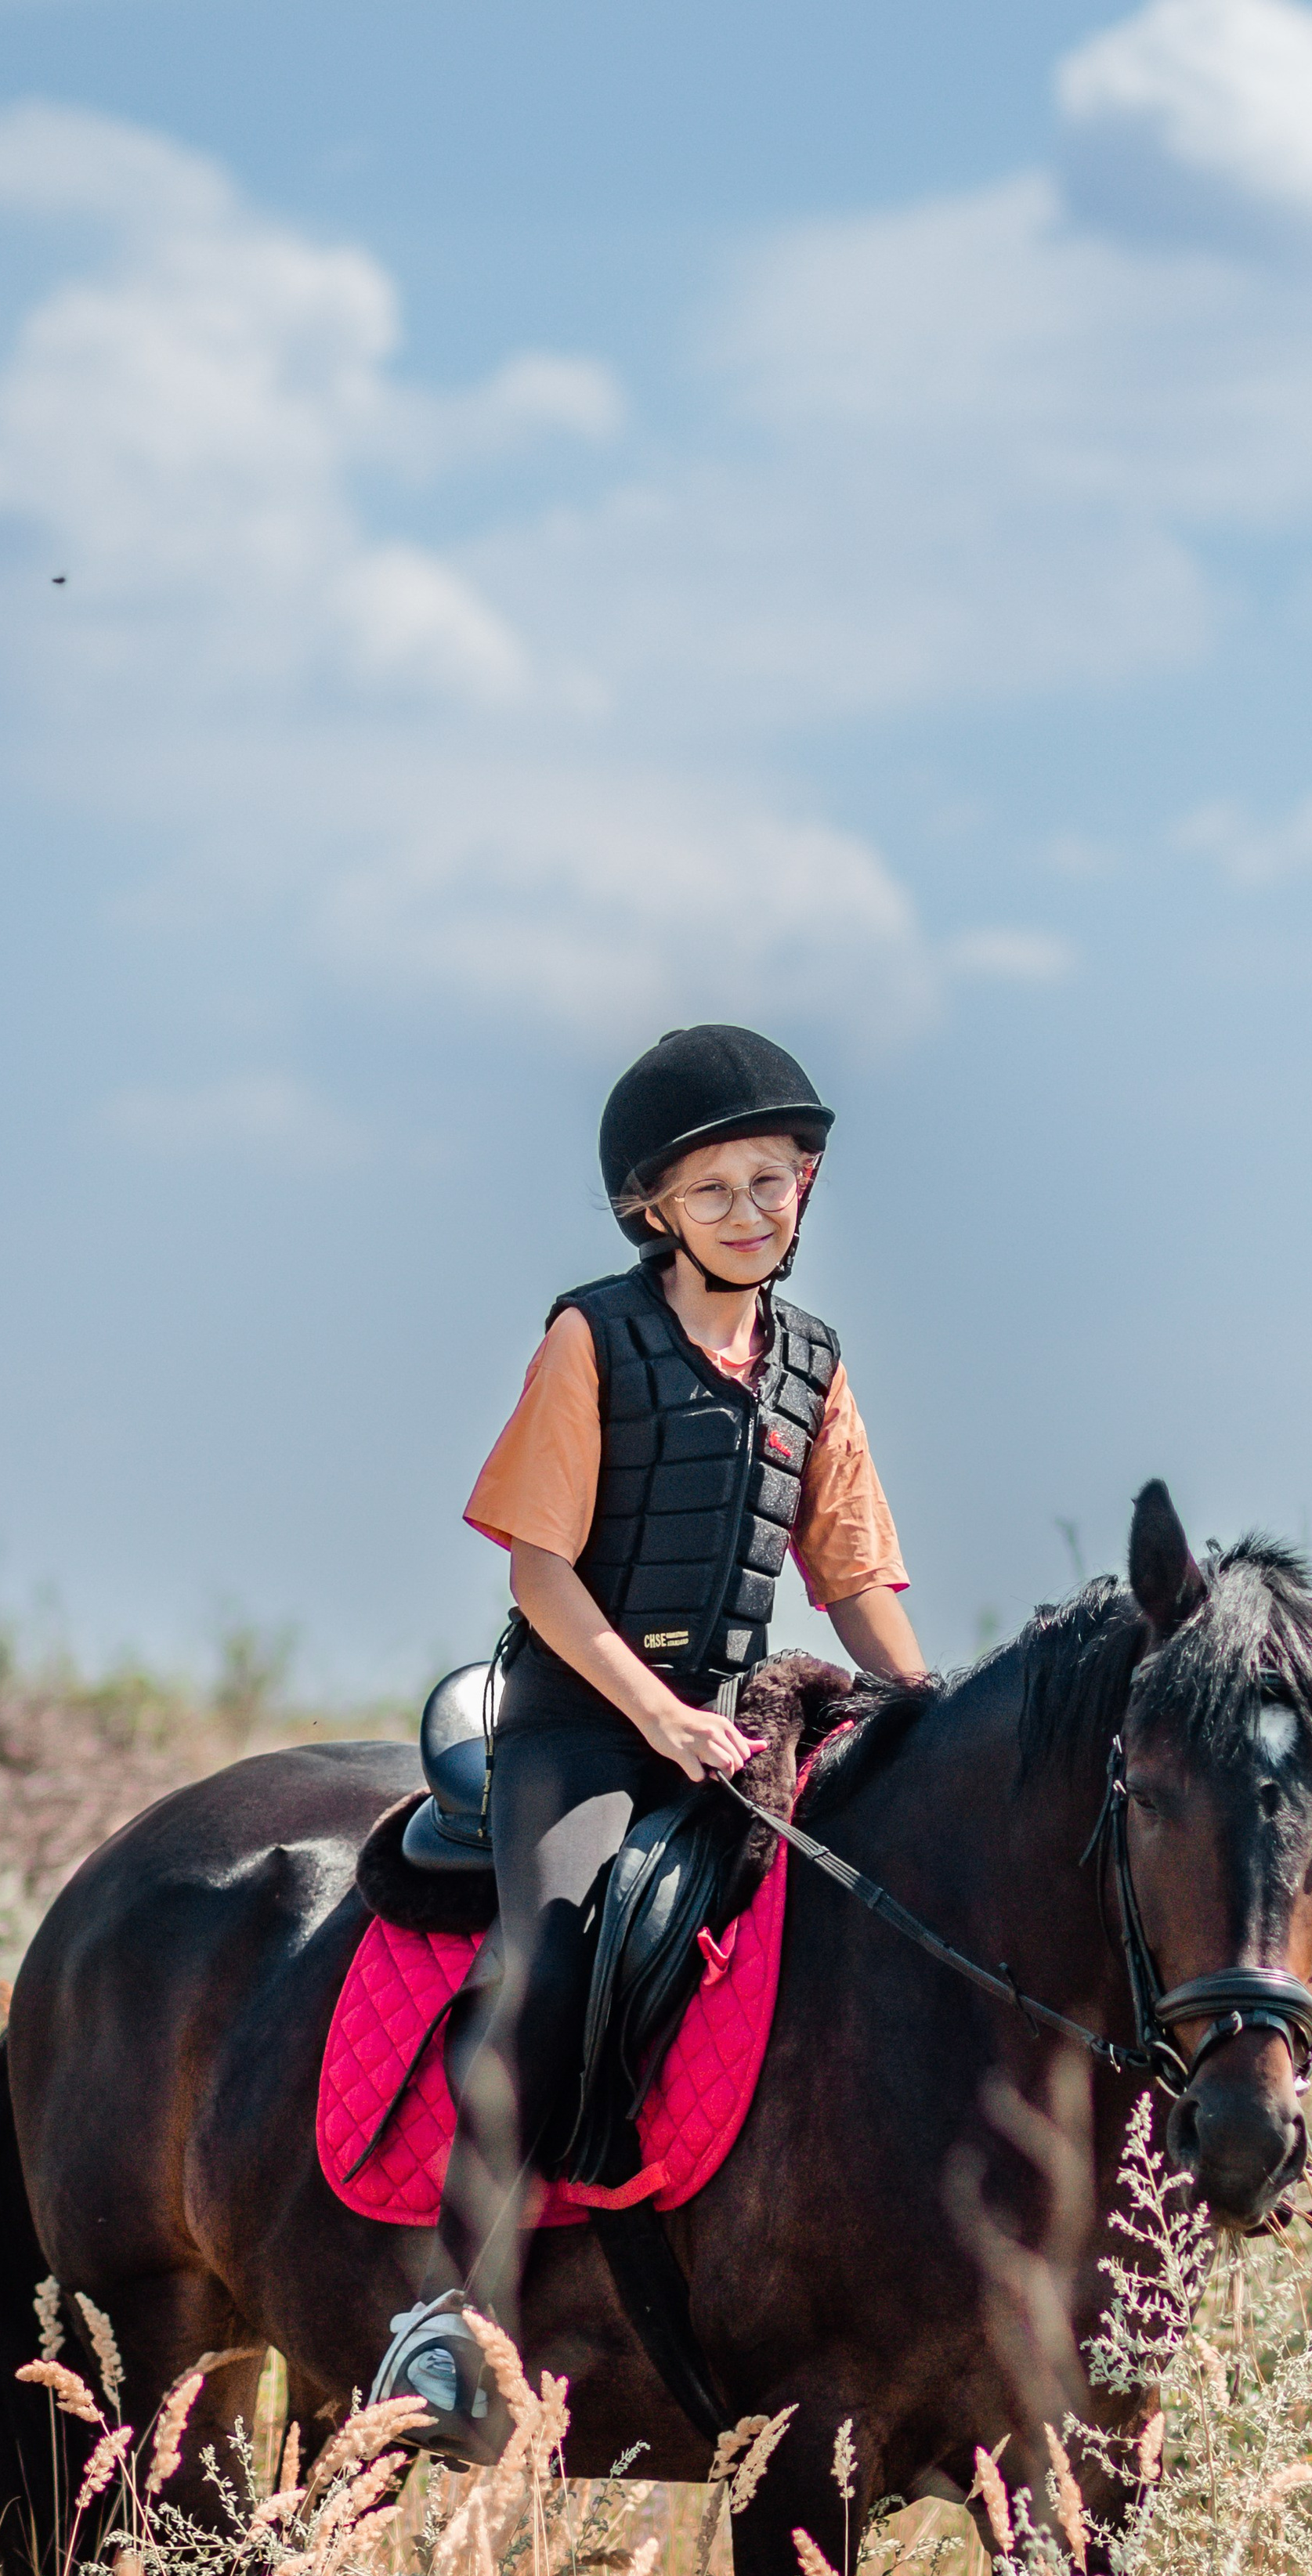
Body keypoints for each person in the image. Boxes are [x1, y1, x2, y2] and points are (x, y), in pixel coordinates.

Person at [370, 1024, 924, 2457]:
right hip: (582, 1727)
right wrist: (657, 1712)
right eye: (713, 1189)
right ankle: (444, 2317)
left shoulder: (814, 1364)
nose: (749, 1211)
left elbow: (853, 1578)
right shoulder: (593, 1337)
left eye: (771, 1181)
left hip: (733, 1729)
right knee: (555, 1954)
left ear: (806, 1186)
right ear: (652, 1209)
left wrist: (927, 1715)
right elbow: (540, 1574)